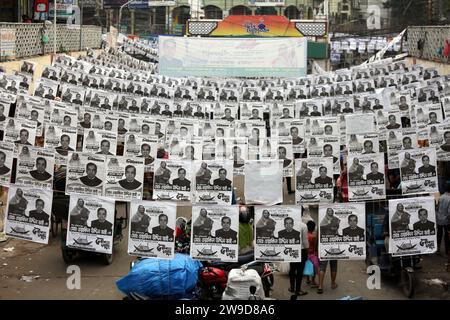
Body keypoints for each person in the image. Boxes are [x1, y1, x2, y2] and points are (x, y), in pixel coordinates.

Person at [288, 220, 308, 296]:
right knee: (299, 271)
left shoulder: (288, 224)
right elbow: (305, 241)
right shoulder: (303, 225)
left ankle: (292, 287)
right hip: (301, 250)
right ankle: (298, 290)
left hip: (291, 249)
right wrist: (307, 250)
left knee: (292, 269)